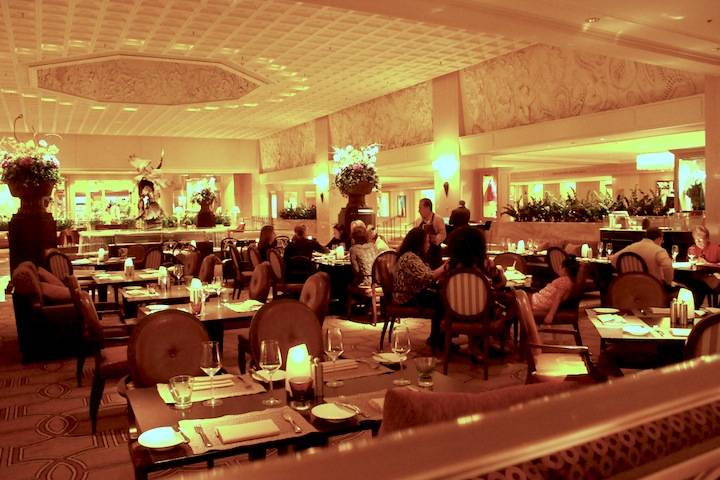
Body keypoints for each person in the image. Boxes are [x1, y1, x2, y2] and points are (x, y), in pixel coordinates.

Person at [393, 227, 448, 348]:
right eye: (426, 242)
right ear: (418, 243)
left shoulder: (412, 256)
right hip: (407, 296)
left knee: (441, 297)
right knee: (442, 300)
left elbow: (427, 275)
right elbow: (428, 277)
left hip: (411, 293)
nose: (429, 245)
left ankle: (437, 337)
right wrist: (445, 267)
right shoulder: (409, 258)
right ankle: (438, 339)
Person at [531, 258, 579, 324]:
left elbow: (558, 298)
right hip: (540, 299)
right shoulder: (566, 280)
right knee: (520, 296)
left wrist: (550, 315)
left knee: (518, 298)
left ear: (564, 269)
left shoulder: (564, 281)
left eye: (560, 267)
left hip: (540, 302)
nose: (558, 268)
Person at [415, 198, 446, 268]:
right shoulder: (418, 220)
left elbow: (443, 234)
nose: (418, 211)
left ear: (428, 208)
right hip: (422, 254)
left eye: (420, 208)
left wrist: (434, 238)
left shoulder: (438, 219)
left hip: (434, 252)